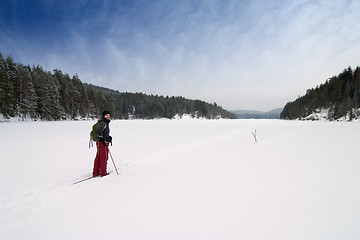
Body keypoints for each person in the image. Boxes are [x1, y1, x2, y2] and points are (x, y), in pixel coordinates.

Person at [93, 110, 112, 177]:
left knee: (99, 157)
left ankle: (96, 172)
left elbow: (103, 132)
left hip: (100, 142)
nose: (108, 117)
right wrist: (103, 138)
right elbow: (98, 131)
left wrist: (107, 137)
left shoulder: (103, 122)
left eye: (109, 115)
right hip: (102, 143)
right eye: (106, 115)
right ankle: (103, 173)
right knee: (104, 157)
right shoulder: (103, 123)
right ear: (104, 116)